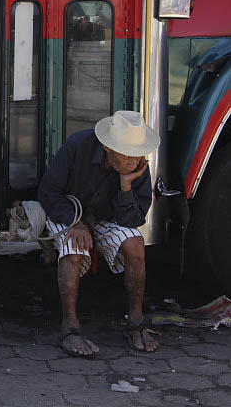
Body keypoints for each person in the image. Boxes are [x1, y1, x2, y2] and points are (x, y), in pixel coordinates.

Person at [38, 110, 160, 357]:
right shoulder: (77, 146)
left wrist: (126, 186)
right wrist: (77, 221)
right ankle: (70, 329)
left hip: (106, 218)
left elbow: (135, 219)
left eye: (136, 154)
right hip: (68, 212)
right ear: (108, 147)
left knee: (135, 243)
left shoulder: (136, 165)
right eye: (125, 153)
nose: (133, 161)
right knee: (74, 250)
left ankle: (136, 322)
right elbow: (48, 192)